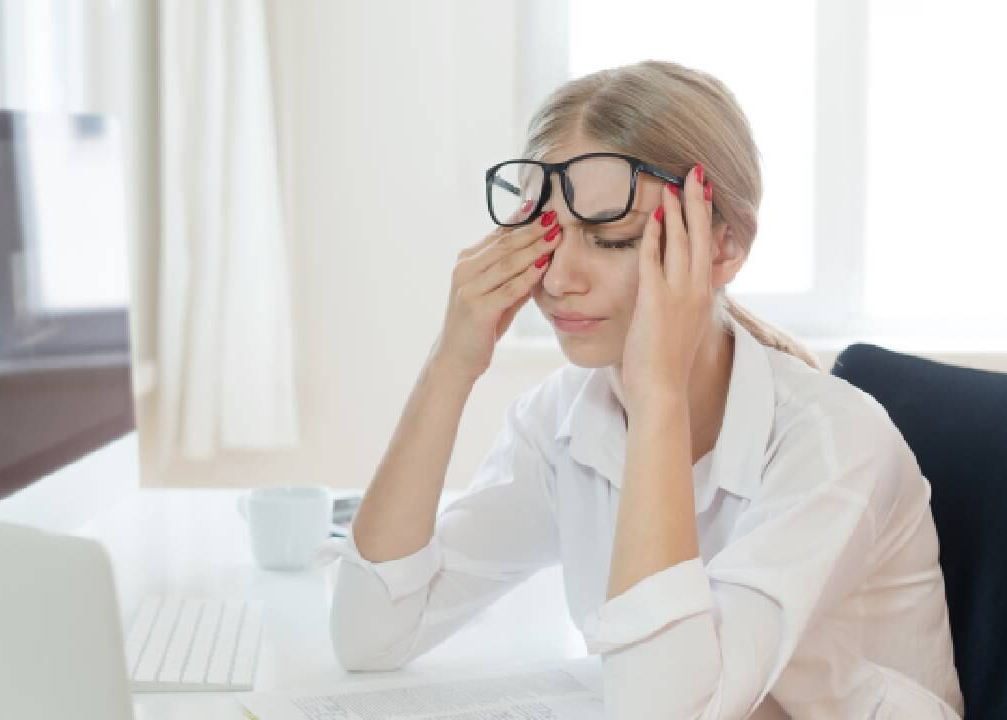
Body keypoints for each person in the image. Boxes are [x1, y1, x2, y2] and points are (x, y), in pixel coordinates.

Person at [316, 60, 965, 719]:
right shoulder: (567, 418)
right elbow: (370, 634)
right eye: (547, 235)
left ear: (724, 248)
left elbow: (663, 712)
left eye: (611, 237)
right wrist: (450, 364)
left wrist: (658, 392)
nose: (560, 278)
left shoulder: (832, 446)